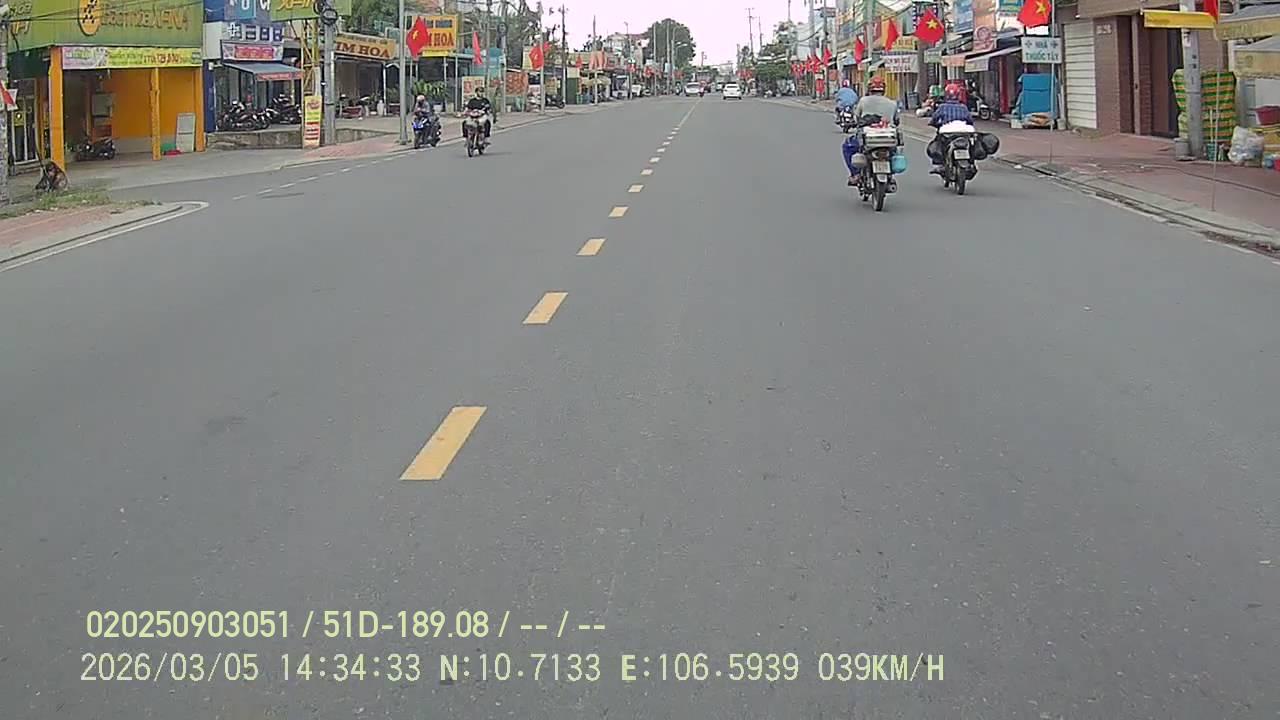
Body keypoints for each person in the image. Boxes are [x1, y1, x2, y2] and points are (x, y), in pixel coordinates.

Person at [841, 77, 899, 186]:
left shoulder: (863, 101)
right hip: (888, 139)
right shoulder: (892, 103)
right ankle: (890, 176)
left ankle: (855, 174)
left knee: (847, 146)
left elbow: (856, 117)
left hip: (868, 138)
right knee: (894, 152)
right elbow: (896, 120)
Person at [927, 84, 974, 173]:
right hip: (964, 131)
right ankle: (971, 162)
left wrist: (932, 123)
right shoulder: (963, 107)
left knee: (939, 143)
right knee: (970, 143)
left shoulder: (943, 107)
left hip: (947, 131)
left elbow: (935, 118)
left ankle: (940, 163)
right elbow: (970, 120)